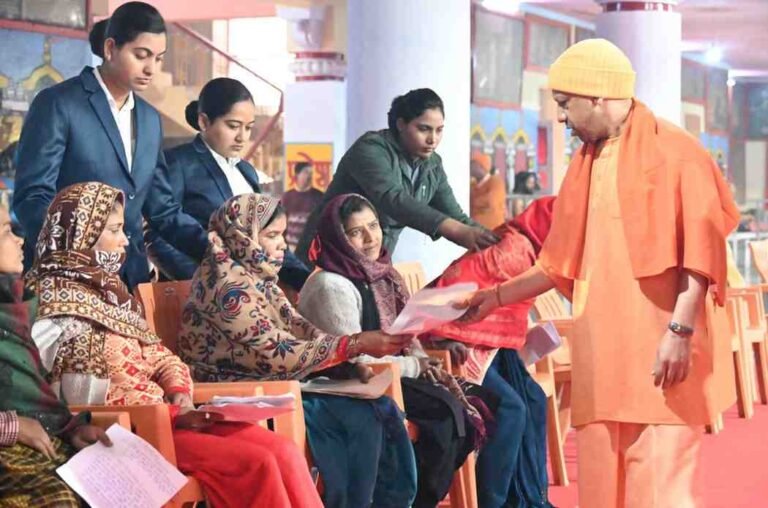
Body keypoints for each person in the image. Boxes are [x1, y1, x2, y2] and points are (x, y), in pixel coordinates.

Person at [460, 39, 739, 508]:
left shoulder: (678, 153)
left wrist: (679, 330)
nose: (561, 118)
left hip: (662, 348)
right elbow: (561, 262)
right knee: (602, 483)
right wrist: (495, 296)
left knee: (658, 484)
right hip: (602, 350)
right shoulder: (587, 162)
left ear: (597, 96)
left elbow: (701, 256)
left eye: (564, 103)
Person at [26, 182, 322, 508]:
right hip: (129, 432)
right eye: (113, 230)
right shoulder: (49, 306)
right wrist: (161, 412)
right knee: (257, 462)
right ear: (81, 236)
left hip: (173, 417)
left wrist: (180, 394)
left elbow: (162, 357)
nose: (125, 240)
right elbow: (59, 392)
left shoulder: (112, 297)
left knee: (284, 450)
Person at [178, 193, 418, 508]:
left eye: (282, 235)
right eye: (272, 235)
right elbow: (279, 351)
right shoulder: (227, 288)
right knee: (360, 417)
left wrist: (343, 362)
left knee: (381, 408)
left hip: (277, 383)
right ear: (242, 237)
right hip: (239, 393)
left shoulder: (256, 278)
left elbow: (298, 327)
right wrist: (354, 344)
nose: (283, 245)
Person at [299, 193, 491, 507]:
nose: (370, 238)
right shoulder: (330, 285)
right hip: (351, 382)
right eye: (356, 232)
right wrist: (415, 367)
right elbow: (351, 356)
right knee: (444, 416)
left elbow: (406, 333)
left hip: (390, 373)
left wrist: (422, 361)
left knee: (480, 402)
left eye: (373, 226)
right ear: (338, 237)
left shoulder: (382, 273)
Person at [13, 2, 207, 289]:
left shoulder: (150, 119)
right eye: (141, 55)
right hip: (68, 280)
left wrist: (215, 250)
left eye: (158, 58)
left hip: (131, 280)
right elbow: (32, 197)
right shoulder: (59, 104)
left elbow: (162, 210)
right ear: (110, 48)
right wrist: (78, 252)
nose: (151, 68)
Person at [427, 197, 556, 508]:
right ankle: (494, 501)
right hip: (448, 344)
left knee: (534, 399)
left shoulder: (531, 248)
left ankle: (528, 496)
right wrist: (440, 338)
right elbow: (450, 296)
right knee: (511, 409)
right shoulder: (514, 251)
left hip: (487, 346)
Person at [296, 88, 499, 265]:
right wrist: (457, 231)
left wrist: (497, 240)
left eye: (439, 131)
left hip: (372, 263)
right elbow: (394, 199)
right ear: (401, 124)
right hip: (326, 258)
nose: (433, 139)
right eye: (424, 129)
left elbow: (456, 217)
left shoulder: (432, 165)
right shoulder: (370, 149)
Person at [145, 77, 309, 290]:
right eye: (233, 126)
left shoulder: (247, 172)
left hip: (254, 292)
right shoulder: (178, 163)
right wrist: (211, 282)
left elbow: (268, 233)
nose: (242, 137)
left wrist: (307, 281)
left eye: (248, 128)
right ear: (204, 122)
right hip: (203, 293)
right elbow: (157, 236)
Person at [0, 203, 112, 506]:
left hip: (40, 436)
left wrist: (71, 431)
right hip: (12, 445)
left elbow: (33, 390)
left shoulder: (14, 305)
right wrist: (11, 427)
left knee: (110, 484)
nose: (20, 240)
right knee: (59, 499)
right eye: (6, 232)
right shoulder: (53, 300)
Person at [283, 162, 325, 251]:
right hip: (291, 248)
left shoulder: (319, 196)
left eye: (311, 173)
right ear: (297, 175)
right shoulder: (287, 197)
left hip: (310, 249)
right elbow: (282, 222)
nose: (309, 176)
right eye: (306, 172)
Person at [469, 152, 506, 230]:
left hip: (492, 227)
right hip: (475, 228)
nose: (470, 168)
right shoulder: (472, 184)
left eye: (472, 165)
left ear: (481, 167)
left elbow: (490, 201)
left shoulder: (496, 182)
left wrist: (473, 202)